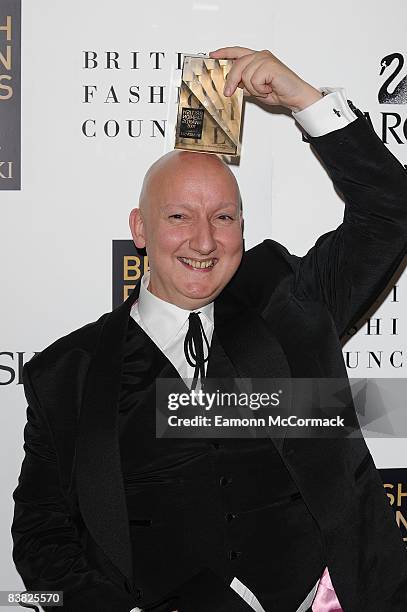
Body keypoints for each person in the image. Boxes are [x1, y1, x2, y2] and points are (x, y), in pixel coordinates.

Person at [11, 46, 407, 612]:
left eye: (223, 217)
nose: (203, 241)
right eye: (178, 217)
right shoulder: (65, 375)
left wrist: (305, 101)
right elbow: (43, 534)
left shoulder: (285, 299)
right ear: (139, 228)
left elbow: (391, 211)